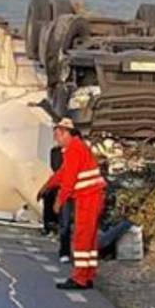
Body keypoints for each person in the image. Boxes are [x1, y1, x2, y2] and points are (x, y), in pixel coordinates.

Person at [38, 118, 106, 290]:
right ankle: (87, 274)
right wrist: (47, 186)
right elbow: (62, 173)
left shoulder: (74, 150)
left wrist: (59, 200)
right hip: (92, 196)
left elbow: (69, 180)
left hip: (88, 197)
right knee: (89, 238)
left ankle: (79, 279)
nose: (56, 139)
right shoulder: (75, 148)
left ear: (67, 133)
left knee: (82, 237)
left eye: (58, 135)